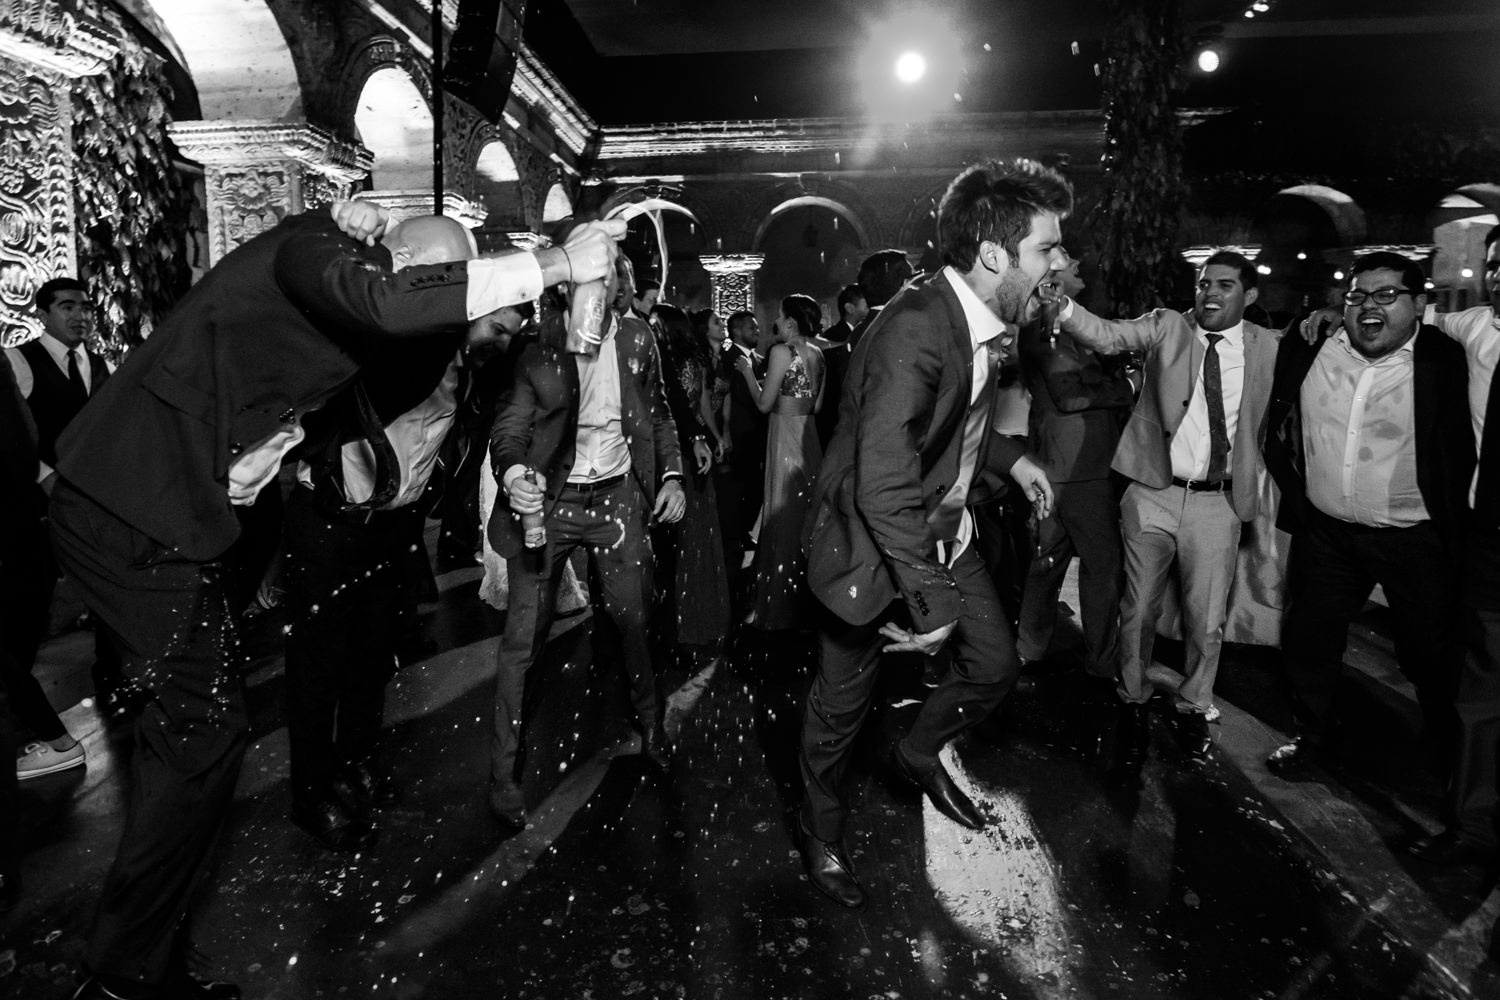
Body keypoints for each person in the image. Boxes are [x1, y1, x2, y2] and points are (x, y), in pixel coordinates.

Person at [48, 200, 622, 1000]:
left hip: (179, 520)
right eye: (440, 284)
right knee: (202, 734)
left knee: (195, 741)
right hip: (130, 508)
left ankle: (144, 954)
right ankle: (119, 975)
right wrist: (557, 263)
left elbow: (397, 361)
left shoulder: (341, 279)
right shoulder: (307, 251)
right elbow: (390, 303)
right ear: (406, 266)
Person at [797, 158, 1065, 908]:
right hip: (872, 544)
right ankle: (820, 832)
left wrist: (1010, 460)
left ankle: (916, 753)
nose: (1059, 264)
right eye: (1047, 249)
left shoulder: (973, 316)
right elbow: (882, 484)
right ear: (994, 255)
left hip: (941, 527)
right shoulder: (916, 326)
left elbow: (956, 419)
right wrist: (933, 603)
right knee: (839, 710)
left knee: (994, 664)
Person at [282, 220, 536, 853]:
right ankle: (311, 791)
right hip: (329, 523)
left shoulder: (468, 367)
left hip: (391, 529)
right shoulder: (384, 341)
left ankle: (357, 759)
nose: (501, 343)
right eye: (496, 329)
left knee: (372, 657)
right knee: (318, 667)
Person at [1053, 250, 1280, 761]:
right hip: (1153, 493)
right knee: (1137, 607)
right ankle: (1132, 694)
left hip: (1218, 502)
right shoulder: (1167, 327)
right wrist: (1063, 307)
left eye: (1223, 285)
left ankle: (1195, 701)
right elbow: (1108, 335)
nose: (1209, 293)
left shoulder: (1268, 346)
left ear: (1249, 294)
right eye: (1203, 283)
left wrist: (1325, 318)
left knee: (1206, 618)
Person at [487, 249, 685, 831]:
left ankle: (651, 726)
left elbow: (659, 414)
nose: (603, 290)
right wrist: (513, 473)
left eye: (611, 279)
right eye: (590, 281)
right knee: (523, 638)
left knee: (633, 621)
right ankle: (502, 773)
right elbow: (509, 428)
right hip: (550, 503)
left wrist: (671, 475)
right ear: (566, 290)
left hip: (617, 498)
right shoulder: (537, 347)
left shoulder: (639, 339)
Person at [1261, 254, 1472, 793]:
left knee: (1430, 656)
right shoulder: (1313, 345)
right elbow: (1277, 416)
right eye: (1357, 296)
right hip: (1327, 532)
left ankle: (1449, 757)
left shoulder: (1448, 358)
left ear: (1419, 305)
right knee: (1308, 640)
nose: (1368, 307)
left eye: (1386, 295)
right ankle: (1313, 736)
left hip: (1415, 536)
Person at [1016, 251, 1134, 677]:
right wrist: (1129, 386)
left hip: (1062, 464)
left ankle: (1029, 647)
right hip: (1077, 469)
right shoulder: (1046, 328)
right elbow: (1070, 396)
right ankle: (1102, 660)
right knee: (1102, 565)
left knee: (1048, 562)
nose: (1080, 265)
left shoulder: (1059, 325)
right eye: (1069, 260)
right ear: (1054, 277)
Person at [739, 293, 825, 631]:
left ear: (790, 322)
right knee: (806, 514)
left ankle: (781, 605)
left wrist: (748, 373)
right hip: (810, 439)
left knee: (782, 515)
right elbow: (817, 406)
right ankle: (809, 599)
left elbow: (763, 404)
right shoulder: (818, 353)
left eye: (778, 315)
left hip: (784, 437)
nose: (775, 321)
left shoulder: (780, 351)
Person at [652, 302, 731, 662]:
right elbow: (702, 409)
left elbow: (677, 410)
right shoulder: (695, 361)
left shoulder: (671, 364)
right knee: (698, 536)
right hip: (692, 445)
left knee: (683, 539)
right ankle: (700, 615)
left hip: (676, 451)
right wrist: (713, 438)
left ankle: (682, 622)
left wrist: (706, 439)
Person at [720, 310, 769, 584]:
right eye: (752, 327)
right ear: (736, 331)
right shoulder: (726, 358)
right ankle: (737, 540)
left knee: (755, 488)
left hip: (760, 434)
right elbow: (734, 395)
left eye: (758, 327)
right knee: (739, 489)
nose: (757, 331)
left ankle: (748, 535)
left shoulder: (760, 360)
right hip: (739, 434)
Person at [815, 283, 866, 447]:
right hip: (836, 416)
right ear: (849, 308)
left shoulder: (864, 333)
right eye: (865, 303)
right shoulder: (833, 337)